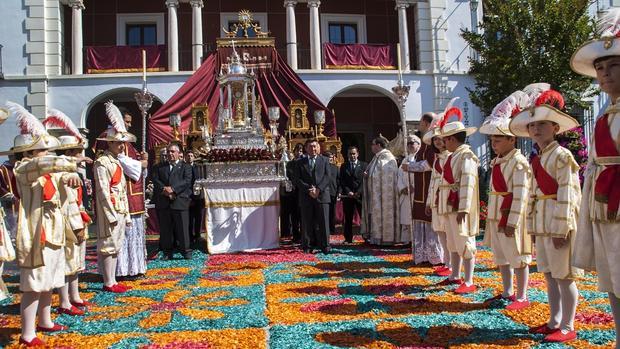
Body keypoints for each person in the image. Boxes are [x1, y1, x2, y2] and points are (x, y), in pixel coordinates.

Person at [509, 85, 582, 343]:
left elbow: (569, 194)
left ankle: (568, 324)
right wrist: (531, 226)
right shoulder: (537, 158)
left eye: (542, 124)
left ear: (555, 127)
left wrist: (561, 229)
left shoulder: (562, 156)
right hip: (542, 223)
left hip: (558, 223)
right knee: (551, 276)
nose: (536, 129)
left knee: (564, 276)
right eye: (532, 125)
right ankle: (554, 319)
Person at [6, 101, 79, 346]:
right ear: (28, 152)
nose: (46, 153)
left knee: (50, 279)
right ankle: (27, 333)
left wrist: (71, 175)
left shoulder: (44, 169)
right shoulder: (24, 168)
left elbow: (60, 174)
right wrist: (69, 163)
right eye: (41, 149)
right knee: (34, 283)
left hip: (54, 231)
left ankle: (45, 320)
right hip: (37, 233)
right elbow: (45, 164)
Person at [571, 9, 620, 345]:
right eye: (600, 68)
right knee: (612, 278)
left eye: (612, 66)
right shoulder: (603, 116)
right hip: (604, 209)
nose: (604, 73)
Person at [478, 92, 533, 311]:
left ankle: (522, 295)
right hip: (496, 215)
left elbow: (520, 194)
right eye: (492, 139)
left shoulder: (518, 162)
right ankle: (507, 291)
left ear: (512, 139)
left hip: (510, 216)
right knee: (502, 257)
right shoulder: (498, 161)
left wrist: (512, 220)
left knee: (518, 257)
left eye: (498, 139)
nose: (493, 143)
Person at [43, 109, 94, 316]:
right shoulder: (61, 173)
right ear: (69, 154)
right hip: (66, 222)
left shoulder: (72, 171)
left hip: (77, 218)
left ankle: (74, 295)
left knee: (75, 261)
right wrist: (76, 224)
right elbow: (67, 201)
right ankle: (64, 300)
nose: (82, 156)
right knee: (65, 262)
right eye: (78, 152)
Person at [436, 104, 480, 294]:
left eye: (446, 139)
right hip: (450, 204)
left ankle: (469, 280)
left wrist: (463, 207)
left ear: (452, 139)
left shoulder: (466, 155)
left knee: (465, 242)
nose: (444, 143)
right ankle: (455, 274)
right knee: (453, 242)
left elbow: (468, 182)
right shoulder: (453, 156)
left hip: (460, 205)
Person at [94, 101, 134, 294]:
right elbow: (102, 190)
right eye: (118, 143)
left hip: (119, 208)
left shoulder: (116, 162)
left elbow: (122, 191)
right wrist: (110, 214)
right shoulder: (102, 162)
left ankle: (112, 279)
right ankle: (108, 281)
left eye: (122, 143)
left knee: (116, 245)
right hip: (109, 210)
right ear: (109, 143)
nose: (121, 146)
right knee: (108, 247)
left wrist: (125, 215)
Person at [404, 113, 444, 265]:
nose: (419, 124)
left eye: (421, 121)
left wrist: (410, 166)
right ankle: (424, 255)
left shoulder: (432, 143)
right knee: (422, 222)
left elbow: (429, 164)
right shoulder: (424, 143)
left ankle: (435, 256)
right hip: (421, 189)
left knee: (430, 224)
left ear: (427, 124)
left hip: (429, 189)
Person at [152, 143, 193, 260]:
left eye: (172, 152)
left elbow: (186, 181)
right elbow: (156, 180)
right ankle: (167, 251)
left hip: (179, 201)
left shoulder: (186, 167)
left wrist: (173, 190)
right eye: (168, 152)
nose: (170, 154)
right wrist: (164, 190)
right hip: (164, 202)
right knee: (166, 229)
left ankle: (186, 251)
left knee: (183, 229)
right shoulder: (159, 167)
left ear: (179, 153)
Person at [361, 135, 402, 245]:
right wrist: (367, 174)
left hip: (385, 195)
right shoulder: (376, 157)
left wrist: (370, 175)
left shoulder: (388, 158)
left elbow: (387, 176)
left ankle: (386, 239)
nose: (371, 147)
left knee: (384, 214)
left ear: (378, 145)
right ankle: (376, 237)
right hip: (376, 195)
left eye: (373, 144)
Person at [293, 139, 331, 254]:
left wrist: (318, 189)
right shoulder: (300, 162)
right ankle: (307, 246)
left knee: (324, 223)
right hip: (306, 196)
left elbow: (328, 176)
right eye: (310, 147)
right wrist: (309, 189)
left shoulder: (324, 160)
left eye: (315, 146)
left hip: (322, 195)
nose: (313, 149)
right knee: (306, 222)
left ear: (318, 148)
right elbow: (297, 179)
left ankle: (325, 246)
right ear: (306, 148)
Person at [424, 125, 451, 276]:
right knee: (441, 233)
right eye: (435, 140)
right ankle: (447, 263)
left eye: (440, 139)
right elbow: (432, 183)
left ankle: (452, 264)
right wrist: (429, 202)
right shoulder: (436, 160)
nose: (438, 142)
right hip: (436, 201)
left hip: (446, 200)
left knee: (449, 235)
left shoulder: (451, 157)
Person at [339, 146, 366, 244]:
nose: (352, 156)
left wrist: (359, 191)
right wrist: (348, 191)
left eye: (354, 153)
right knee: (348, 218)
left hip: (360, 196)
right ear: (347, 155)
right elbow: (342, 181)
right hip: (348, 196)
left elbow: (365, 181)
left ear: (357, 154)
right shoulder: (343, 166)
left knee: (363, 217)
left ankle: (366, 237)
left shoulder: (364, 165)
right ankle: (348, 238)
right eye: (350, 154)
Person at [397, 135, 419, 251]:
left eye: (412, 143)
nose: (410, 145)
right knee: (406, 218)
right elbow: (399, 175)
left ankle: (416, 240)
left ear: (418, 144)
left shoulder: (420, 159)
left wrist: (415, 187)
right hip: (406, 193)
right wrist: (403, 187)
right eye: (408, 143)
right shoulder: (405, 160)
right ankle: (407, 240)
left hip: (416, 194)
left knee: (415, 218)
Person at [281, 144, 303, 243]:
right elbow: (288, 176)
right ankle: (296, 236)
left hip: (302, 192)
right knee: (294, 216)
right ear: (294, 152)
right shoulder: (290, 164)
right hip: (292, 193)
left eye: (301, 151)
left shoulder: (304, 163)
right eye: (297, 151)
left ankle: (304, 236)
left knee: (303, 216)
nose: (299, 153)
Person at [185, 149, 204, 246]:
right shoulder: (183, 167)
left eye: (191, 156)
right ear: (185, 157)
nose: (190, 157)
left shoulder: (198, 167)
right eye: (188, 156)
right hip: (188, 196)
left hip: (198, 196)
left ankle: (198, 235)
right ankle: (190, 236)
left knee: (199, 216)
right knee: (189, 217)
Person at [0, 153, 19, 239]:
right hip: (10, 203)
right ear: (10, 157)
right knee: (13, 229)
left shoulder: (19, 167)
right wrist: (10, 196)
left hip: (21, 203)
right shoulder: (3, 169)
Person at [323, 151, 339, 235]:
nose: (331, 159)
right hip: (323, 192)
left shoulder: (335, 168)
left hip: (333, 192)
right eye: (329, 157)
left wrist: (339, 192)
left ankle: (332, 229)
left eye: (332, 157)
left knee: (332, 212)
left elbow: (338, 180)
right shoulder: (321, 167)